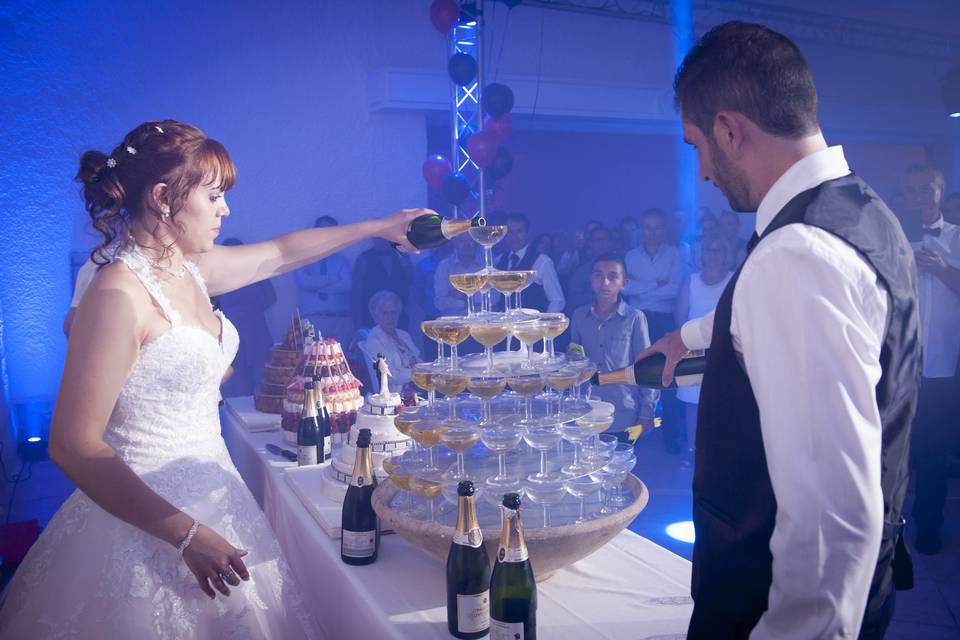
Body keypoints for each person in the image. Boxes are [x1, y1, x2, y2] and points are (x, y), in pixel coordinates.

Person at [0, 119, 431, 637]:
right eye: (213, 195)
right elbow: (72, 445)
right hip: (147, 515)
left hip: (216, 490)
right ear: (163, 197)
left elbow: (281, 253)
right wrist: (184, 536)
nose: (225, 209)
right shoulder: (117, 292)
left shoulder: (188, 269)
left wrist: (378, 228)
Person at [639, 22, 920, 638]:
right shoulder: (860, 210)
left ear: (730, 130)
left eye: (697, 146)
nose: (705, 173)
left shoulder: (797, 257)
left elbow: (830, 532)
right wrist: (687, 336)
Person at [903, 163, 960, 555]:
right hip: (901, 361)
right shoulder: (895, 236)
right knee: (896, 448)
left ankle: (928, 526)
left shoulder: (958, 239)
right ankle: (886, 525)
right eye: (914, 190)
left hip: (942, 362)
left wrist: (943, 270)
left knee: (934, 450)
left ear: (941, 192)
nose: (921, 196)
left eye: (928, 189)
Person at [570, 253, 657, 436]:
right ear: (591, 279)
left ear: (624, 282)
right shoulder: (579, 316)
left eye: (612, 276)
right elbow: (574, 361)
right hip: (586, 409)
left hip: (623, 410)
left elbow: (647, 368)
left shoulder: (635, 318)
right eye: (598, 275)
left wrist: (647, 412)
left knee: (621, 462)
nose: (605, 282)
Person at [673, 234, 732, 466]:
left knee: (724, 403)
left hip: (726, 352)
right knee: (692, 404)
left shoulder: (733, 279)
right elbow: (679, 317)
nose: (713, 254)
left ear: (725, 254)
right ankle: (691, 451)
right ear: (701, 253)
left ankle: (720, 452)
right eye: (709, 249)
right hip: (694, 350)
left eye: (718, 250)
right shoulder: (691, 281)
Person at [217, 238, 277, 398]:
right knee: (236, 376)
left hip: (256, 328)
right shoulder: (218, 275)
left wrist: (250, 311)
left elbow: (271, 297)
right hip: (231, 329)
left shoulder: (257, 272)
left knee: (262, 375)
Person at [294, 215, 353, 345]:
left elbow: (346, 286)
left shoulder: (342, 260)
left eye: (331, 231)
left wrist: (315, 284)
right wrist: (335, 278)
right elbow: (305, 283)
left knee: (341, 363)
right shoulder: (302, 258)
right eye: (323, 230)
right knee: (312, 362)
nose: (327, 235)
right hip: (312, 320)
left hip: (340, 320)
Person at [495, 212, 565, 312]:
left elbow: (557, 300)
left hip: (531, 325)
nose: (514, 237)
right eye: (510, 232)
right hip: (504, 325)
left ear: (527, 233)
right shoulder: (499, 260)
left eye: (519, 231)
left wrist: (545, 324)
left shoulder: (543, 261)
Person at [361, 290, 420, 394]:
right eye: (384, 313)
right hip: (396, 394)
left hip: (418, 386)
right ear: (375, 316)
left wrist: (429, 371)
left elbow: (418, 359)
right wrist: (418, 373)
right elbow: (390, 375)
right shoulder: (374, 340)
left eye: (393, 312)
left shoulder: (403, 335)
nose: (390, 318)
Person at [349, 238, 412, 330]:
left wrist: (407, 266)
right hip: (371, 318)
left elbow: (411, 281)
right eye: (378, 237)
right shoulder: (364, 258)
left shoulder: (401, 255)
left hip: (398, 317)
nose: (382, 240)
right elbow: (356, 293)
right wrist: (357, 322)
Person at [434, 233, 484, 317]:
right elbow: (440, 302)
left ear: (476, 243)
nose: (466, 245)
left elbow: (494, 299)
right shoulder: (444, 266)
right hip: (452, 323)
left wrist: (460, 296)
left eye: (470, 241)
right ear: (455, 243)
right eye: (462, 241)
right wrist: (472, 297)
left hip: (481, 321)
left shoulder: (485, 265)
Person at [565, 225, 611, 314]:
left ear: (610, 242)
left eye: (605, 239)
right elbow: (573, 300)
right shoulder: (581, 272)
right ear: (591, 243)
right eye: (598, 240)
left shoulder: (622, 268)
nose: (602, 243)